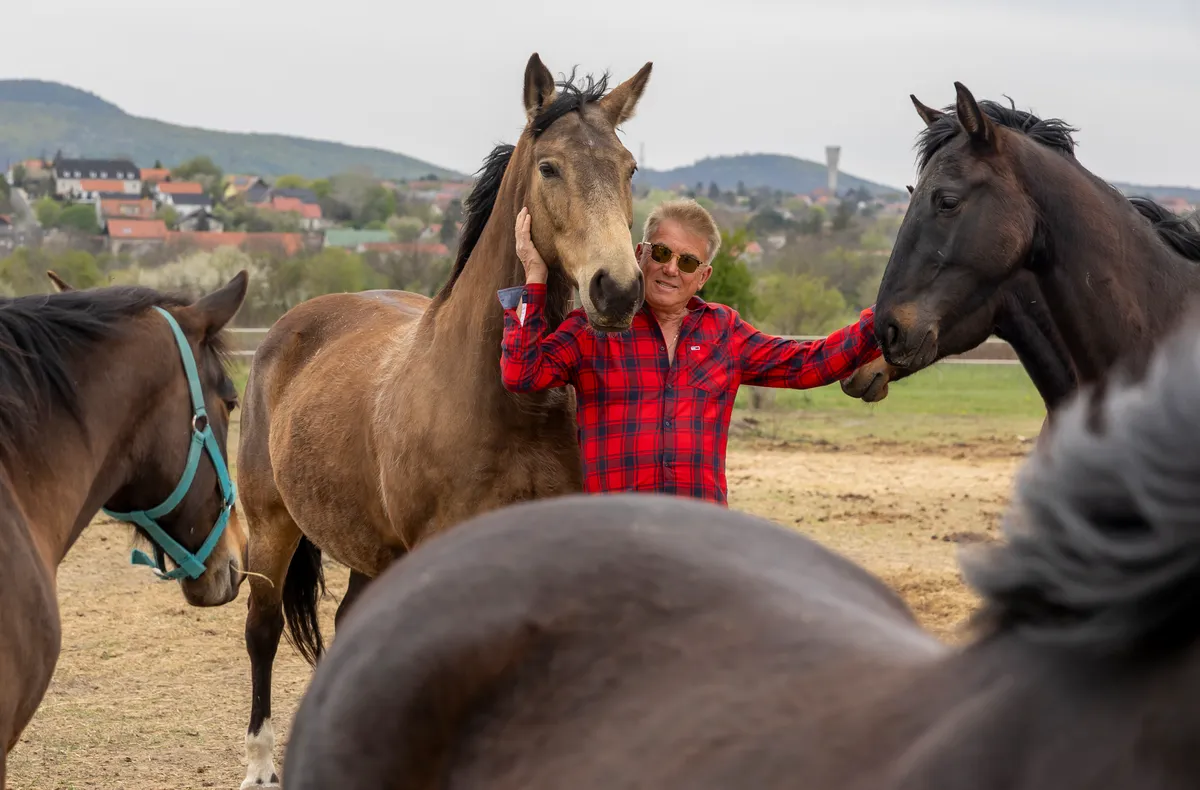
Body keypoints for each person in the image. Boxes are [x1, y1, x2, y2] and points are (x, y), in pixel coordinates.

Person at [497, 198, 882, 506]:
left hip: (701, 538)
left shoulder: (724, 332)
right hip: (615, 534)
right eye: (662, 253)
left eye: (687, 261)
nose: (670, 270)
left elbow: (807, 365)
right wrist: (535, 276)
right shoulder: (592, 329)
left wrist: (880, 320)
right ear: (640, 254)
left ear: (703, 276)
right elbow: (521, 373)